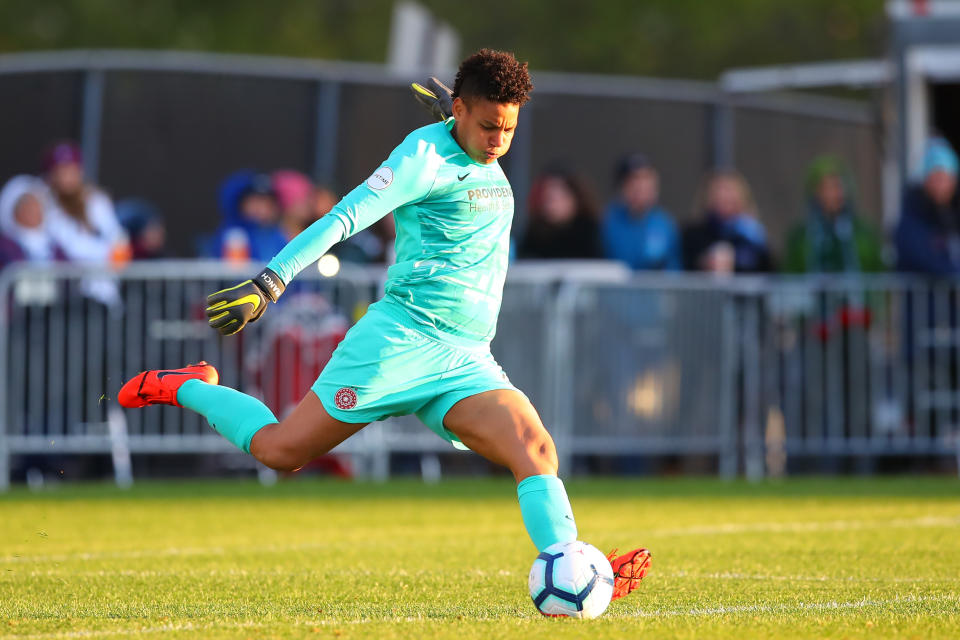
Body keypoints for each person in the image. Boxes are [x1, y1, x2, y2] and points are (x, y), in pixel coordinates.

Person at [118, 49, 650, 601]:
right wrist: (270, 283)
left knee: (534, 448)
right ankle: (191, 387)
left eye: (509, 129)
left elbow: (471, 150)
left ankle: (573, 565)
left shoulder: (474, 136)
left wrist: (466, 121)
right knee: (281, 452)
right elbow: (342, 219)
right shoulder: (421, 156)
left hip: (465, 357)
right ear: (463, 109)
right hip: (396, 345)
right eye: (489, 125)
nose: (498, 141)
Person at [784, 155, 884, 274]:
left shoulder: (863, 234)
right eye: (825, 188)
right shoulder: (801, 238)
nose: (832, 195)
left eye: (837, 187)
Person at [601, 153, 682, 271]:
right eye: (634, 180)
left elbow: (674, 267)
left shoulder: (664, 222)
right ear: (622, 186)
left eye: (647, 179)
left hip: (656, 287)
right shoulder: (608, 221)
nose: (641, 187)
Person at [683, 169, 772, 273]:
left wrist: (736, 261)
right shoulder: (693, 234)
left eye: (729, 191)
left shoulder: (753, 236)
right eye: (718, 191)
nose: (723, 196)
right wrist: (703, 262)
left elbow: (769, 270)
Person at [896, 137, 960, 275]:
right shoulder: (913, 211)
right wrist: (953, 272)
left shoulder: (952, 212)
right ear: (925, 180)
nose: (941, 186)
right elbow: (919, 254)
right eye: (936, 178)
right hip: (925, 294)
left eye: (945, 179)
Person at [517, 167, 602, 259]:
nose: (553, 204)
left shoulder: (593, 234)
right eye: (548, 198)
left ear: (576, 199)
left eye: (560, 197)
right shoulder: (533, 235)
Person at [204, 171, 288, 262]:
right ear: (241, 205)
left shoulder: (277, 234)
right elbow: (235, 273)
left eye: (266, 203)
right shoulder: (235, 234)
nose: (260, 208)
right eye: (254, 202)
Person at [0, 175, 67, 268]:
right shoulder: (6, 246)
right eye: (27, 206)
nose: (34, 211)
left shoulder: (54, 247)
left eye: (37, 205)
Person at [272, 170, 315, 240]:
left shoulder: (314, 233)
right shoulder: (270, 237)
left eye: (310, 197)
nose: (310, 203)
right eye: (302, 199)